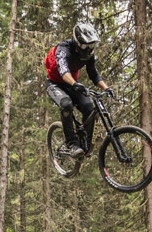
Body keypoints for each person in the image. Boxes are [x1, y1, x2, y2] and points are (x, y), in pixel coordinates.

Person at [44, 22, 113, 160]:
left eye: (91, 45)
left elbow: (94, 75)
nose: (88, 49)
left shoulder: (89, 54)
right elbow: (64, 72)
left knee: (88, 107)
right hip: (55, 84)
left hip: (72, 84)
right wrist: (75, 83)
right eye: (84, 45)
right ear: (77, 42)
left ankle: (85, 143)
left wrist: (106, 88)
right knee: (66, 104)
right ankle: (71, 144)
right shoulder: (63, 49)